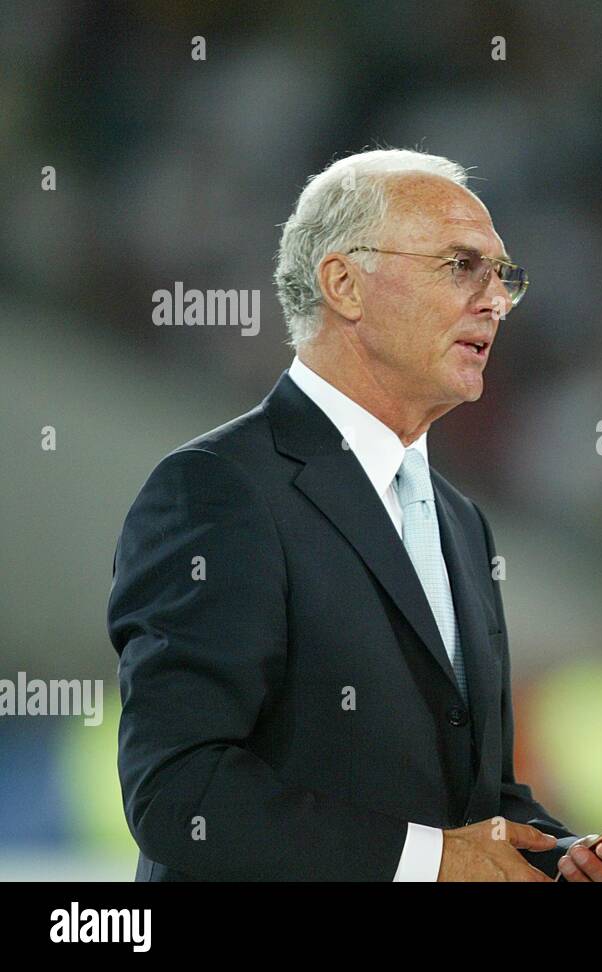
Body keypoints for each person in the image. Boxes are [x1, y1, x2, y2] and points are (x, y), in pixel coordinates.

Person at [108, 148, 576, 880]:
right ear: (344, 284)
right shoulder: (217, 491)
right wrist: (428, 863)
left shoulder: (459, 522)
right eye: (461, 266)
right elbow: (180, 791)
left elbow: (475, 797)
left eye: (502, 275)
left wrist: (567, 857)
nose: (497, 300)